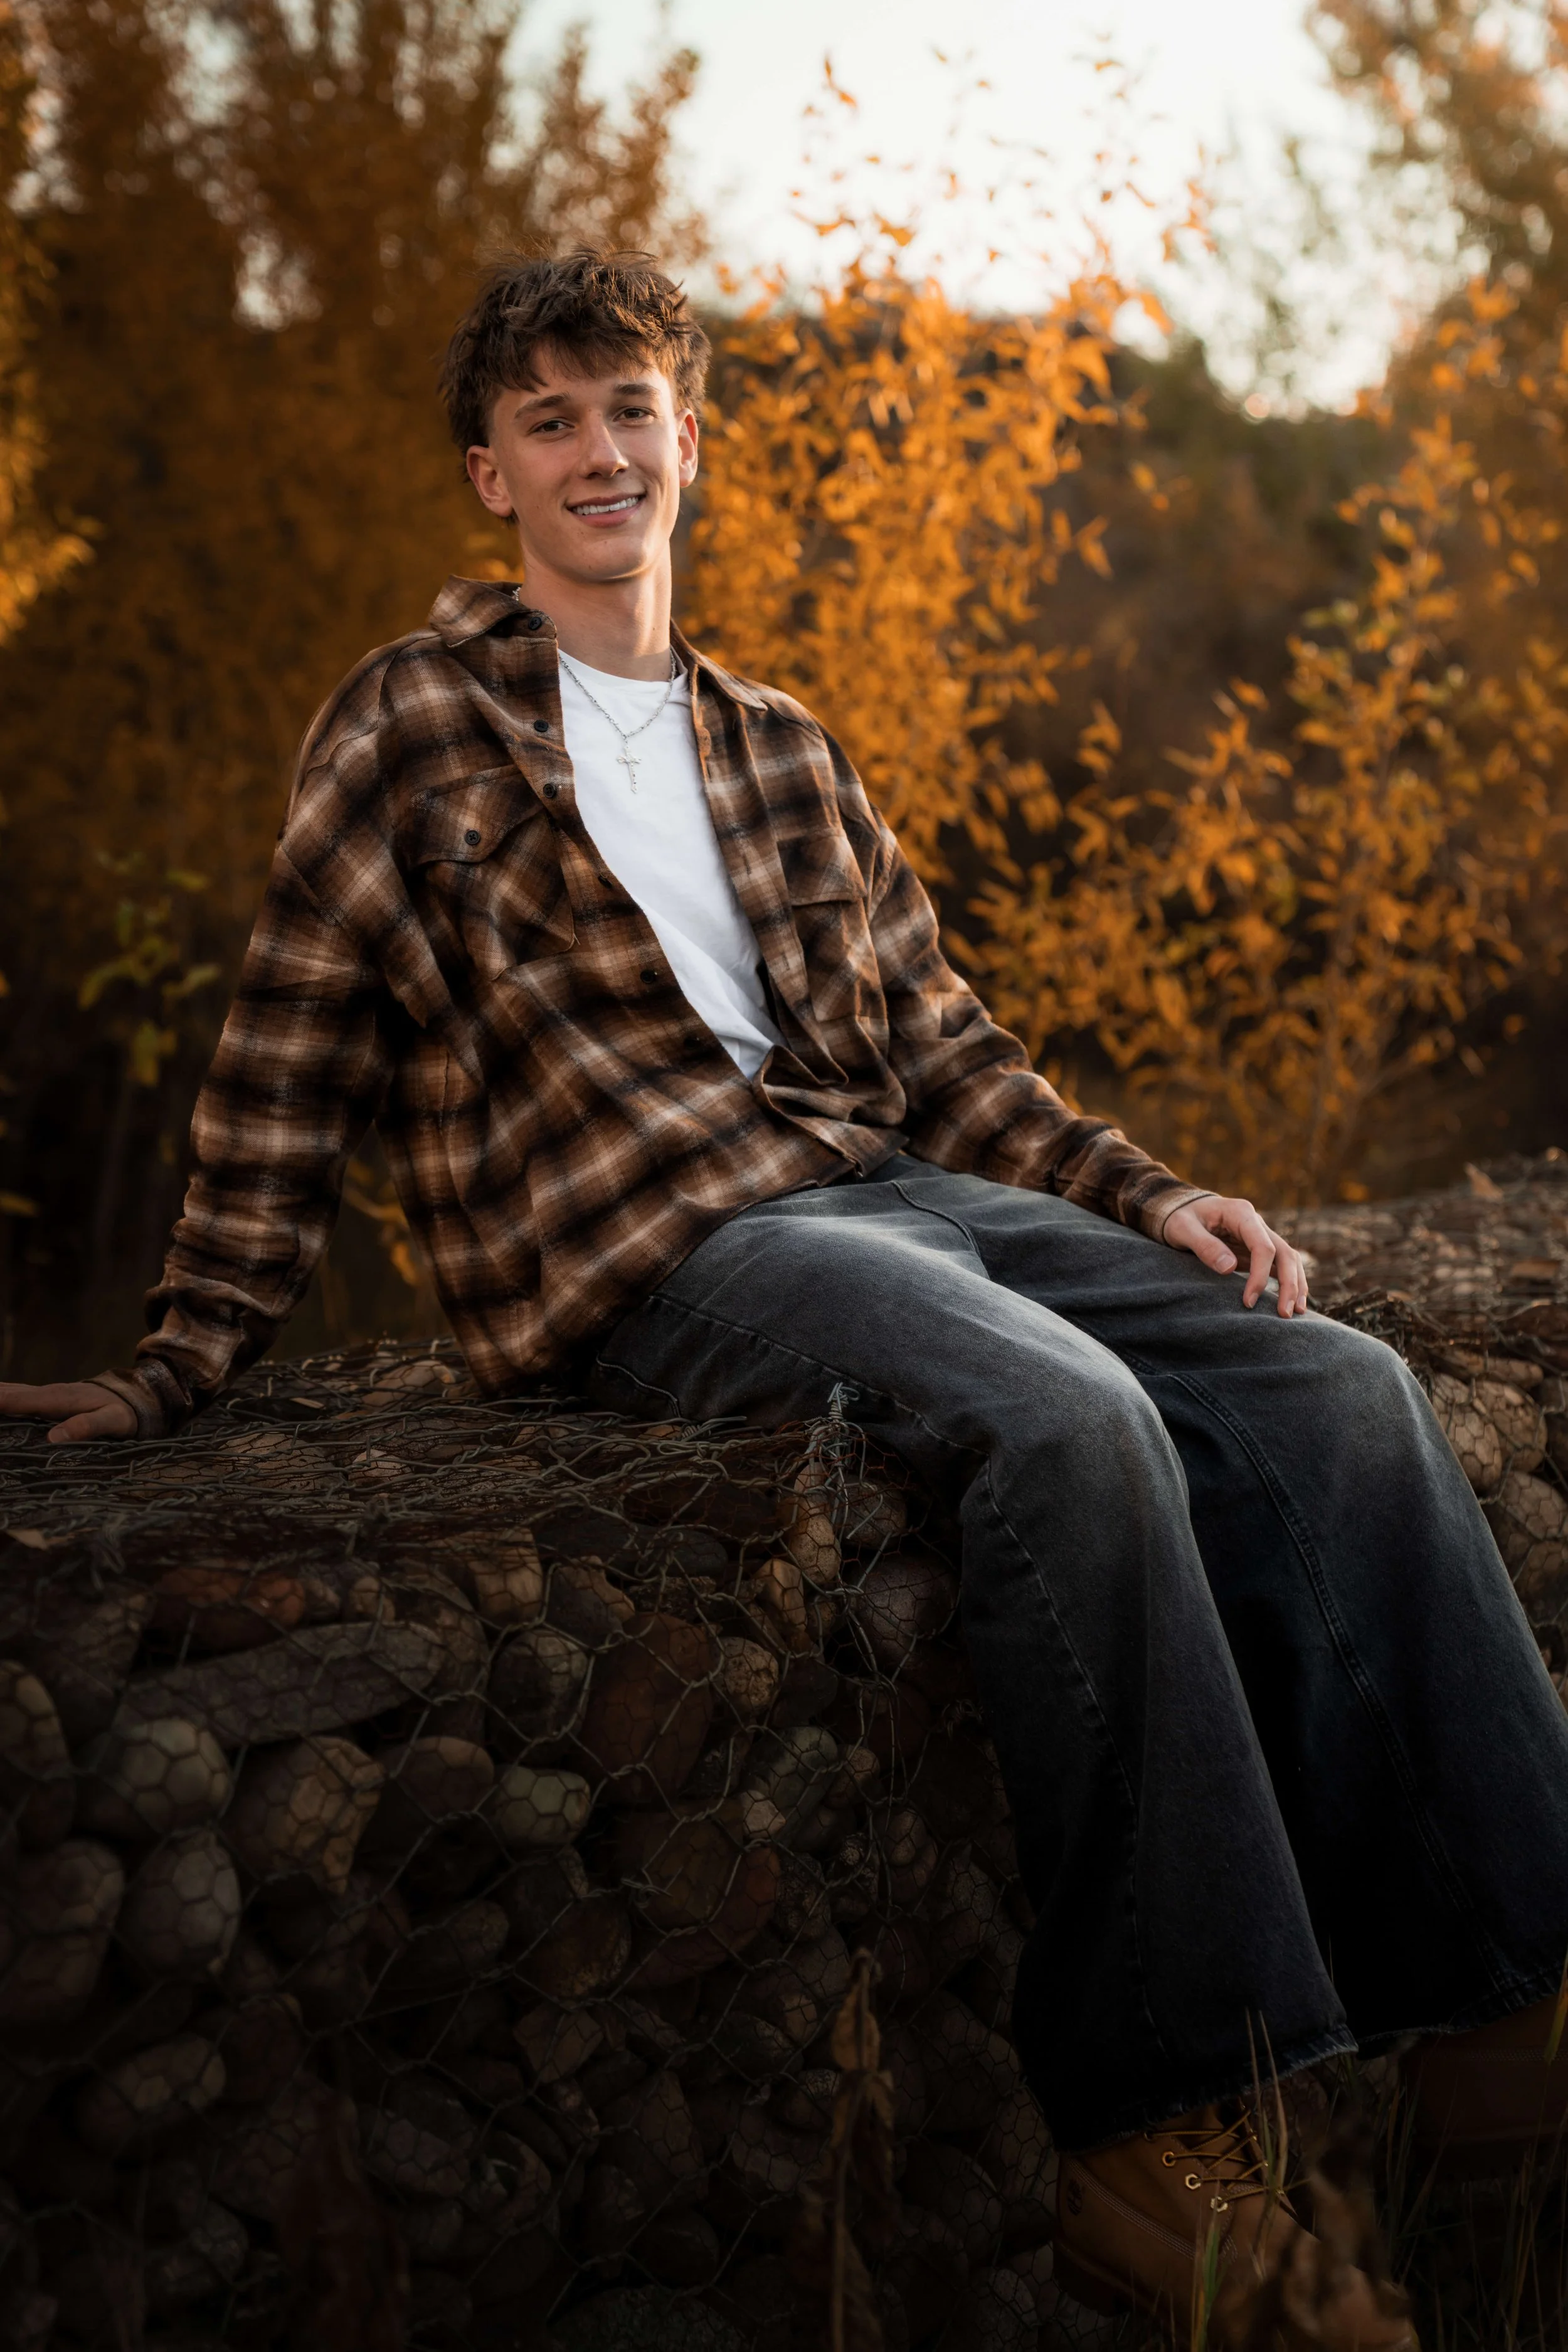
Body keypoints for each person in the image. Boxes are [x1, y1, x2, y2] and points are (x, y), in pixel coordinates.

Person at [4, 246, 1568, 2349]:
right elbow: (286, 1048)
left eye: (629, 407)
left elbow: (949, 1046)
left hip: (884, 1184)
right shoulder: (414, 719)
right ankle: (1161, 2127)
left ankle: (1505, 2020)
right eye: (547, 418)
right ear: (489, 476)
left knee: (1344, 1378)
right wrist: (184, 1357)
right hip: (660, 1245)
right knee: (1071, 1421)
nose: (596, 449)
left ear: (687, 447)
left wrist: (1148, 1189)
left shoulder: (783, 746)